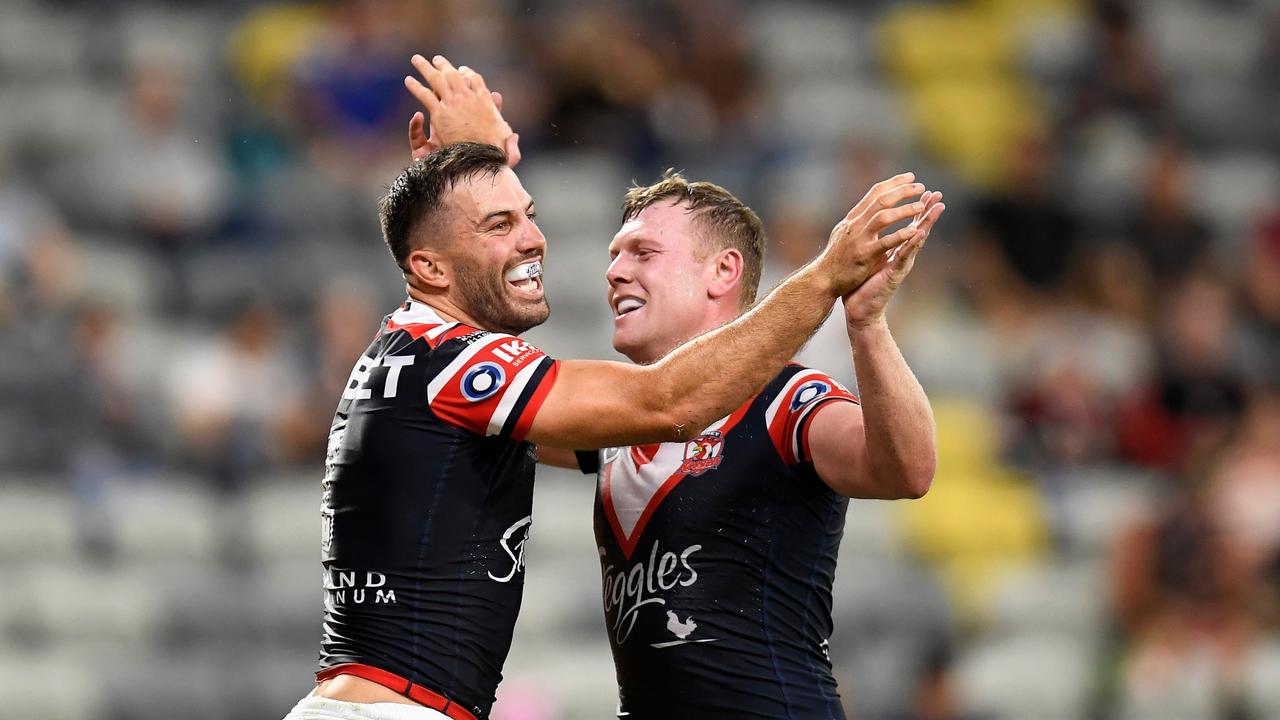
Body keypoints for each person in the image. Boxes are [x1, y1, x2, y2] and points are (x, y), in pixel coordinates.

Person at [284, 64, 938, 720]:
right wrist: (463, 175)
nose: (613, 270)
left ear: (722, 272)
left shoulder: (784, 403)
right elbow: (668, 401)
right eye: (614, 254)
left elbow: (907, 469)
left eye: (643, 253)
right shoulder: (485, 376)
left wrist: (864, 322)